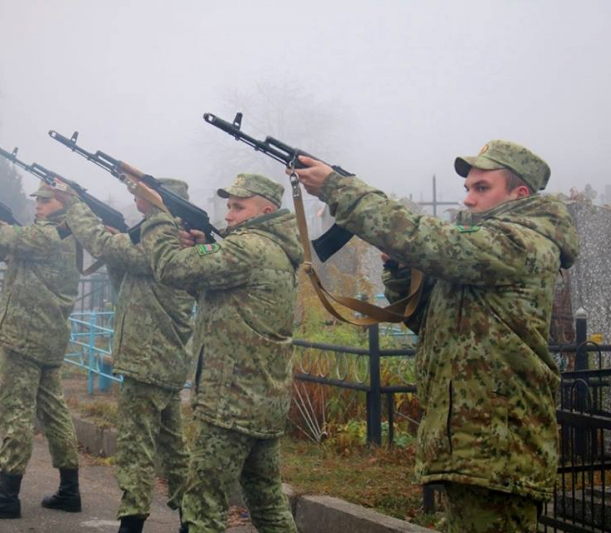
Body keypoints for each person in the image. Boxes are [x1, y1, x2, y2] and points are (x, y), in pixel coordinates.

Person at [292, 141, 579, 532]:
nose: (469, 199)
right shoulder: (484, 252)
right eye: (467, 188)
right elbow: (430, 323)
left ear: (519, 194)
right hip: (469, 445)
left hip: (498, 448)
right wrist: (399, 271)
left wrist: (338, 188)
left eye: (482, 188)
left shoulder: (524, 243)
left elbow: (435, 242)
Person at [138, 173, 301, 533]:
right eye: (228, 206)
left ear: (266, 210)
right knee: (266, 500)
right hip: (262, 401)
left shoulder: (247, 248)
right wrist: (200, 247)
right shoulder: (274, 251)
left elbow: (168, 266)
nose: (228, 215)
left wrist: (157, 215)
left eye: (238, 207)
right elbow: (222, 300)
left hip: (230, 403)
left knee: (203, 504)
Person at [52, 179, 195, 533]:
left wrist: (74, 204)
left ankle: (132, 523)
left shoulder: (163, 237)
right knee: (172, 447)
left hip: (147, 360)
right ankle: (193, 519)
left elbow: (103, 244)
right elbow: (126, 282)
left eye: (143, 193)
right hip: (162, 360)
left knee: (135, 448)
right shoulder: (171, 240)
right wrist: (118, 240)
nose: (136, 197)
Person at [0, 182, 83, 520]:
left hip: (26, 336)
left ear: (65, 204)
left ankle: (7, 495)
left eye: (46, 200)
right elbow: (7, 249)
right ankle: (70, 490)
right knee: (54, 411)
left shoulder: (49, 235)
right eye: (37, 199)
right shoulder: (69, 236)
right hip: (50, 335)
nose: (38, 205)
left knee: (16, 412)